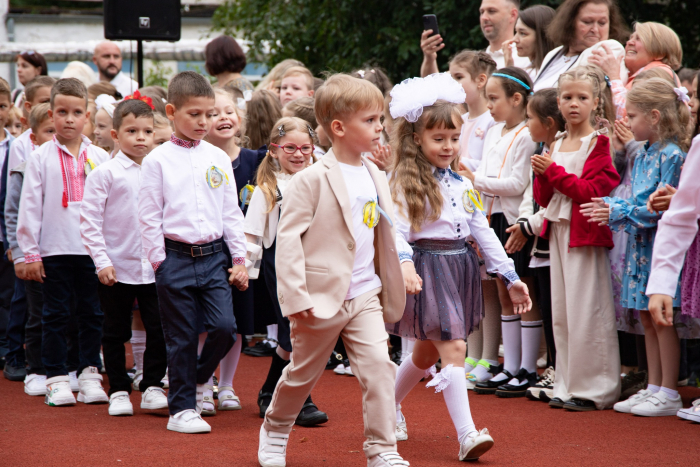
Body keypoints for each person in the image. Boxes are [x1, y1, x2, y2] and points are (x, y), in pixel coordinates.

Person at [257, 74, 409, 467]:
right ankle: (275, 428)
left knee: (379, 369)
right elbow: (288, 242)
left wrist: (401, 266)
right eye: (372, 120)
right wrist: (295, 297)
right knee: (301, 375)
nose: (381, 127)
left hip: (364, 293)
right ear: (339, 127)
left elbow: (385, 230)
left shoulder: (377, 173)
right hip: (320, 297)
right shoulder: (310, 179)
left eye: (380, 119)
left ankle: (382, 448)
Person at [387, 72, 531, 462]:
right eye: (438, 139)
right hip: (425, 270)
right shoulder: (402, 182)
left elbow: (483, 233)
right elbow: (395, 232)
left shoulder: (464, 184)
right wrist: (403, 264)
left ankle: (386, 405)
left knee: (422, 356)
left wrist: (510, 276)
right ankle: (467, 434)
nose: (448, 146)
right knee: (453, 346)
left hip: (459, 268)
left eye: (454, 138)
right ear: (417, 139)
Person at [138, 71, 249, 434]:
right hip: (175, 258)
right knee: (182, 336)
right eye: (195, 114)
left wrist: (239, 259)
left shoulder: (217, 156)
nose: (205, 122)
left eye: (210, 114)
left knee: (224, 328)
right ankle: (181, 410)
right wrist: (160, 262)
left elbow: (231, 211)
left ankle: (199, 379)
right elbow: (149, 214)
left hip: (215, 257)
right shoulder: (157, 160)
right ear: (171, 112)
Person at [581, 78, 688, 416]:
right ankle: (654, 386)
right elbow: (635, 199)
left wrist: (616, 210)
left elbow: (657, 206)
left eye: (633, 115)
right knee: (645, 314)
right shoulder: (642, 152)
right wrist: (615, 207)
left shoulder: (673, 155)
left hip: (660, 244)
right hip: (640, 244)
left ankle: (669, 389)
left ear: (655, 116)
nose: (626, 122)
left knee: (661, 317)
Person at [17, 78, 111, 407]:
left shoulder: (100, 156)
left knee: (91, 313)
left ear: (88, 114)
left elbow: (110, 206)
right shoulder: (40, 157)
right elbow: (29, 205)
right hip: (54, 248)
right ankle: (55, 377)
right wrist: (30, 252)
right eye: (61, 112)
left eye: (76, 112)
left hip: (92, 251)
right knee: (54, 314)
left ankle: (87, 374)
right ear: (51, 114)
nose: (69, 119)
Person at [532, 67, 620, 411]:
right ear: (558, 101)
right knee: (563, 311)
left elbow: (590, 191)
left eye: (582, 98)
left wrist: (550, 171)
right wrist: (541, 173)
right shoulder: (554, 142)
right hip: (559, 229)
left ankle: (596, 387)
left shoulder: (598, 142)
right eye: (567, 97)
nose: (573, 104)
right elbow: (544, 198)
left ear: (595, 102)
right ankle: (567, 383)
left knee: (587, 309)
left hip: (584, 232)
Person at [79, 98, 169, 416]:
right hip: (117, 266)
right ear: (116, 134)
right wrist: (102, 261)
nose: (141, 137)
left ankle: (153, 385)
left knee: (159, 327)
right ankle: (118, 388)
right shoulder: (105, 173)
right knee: (116, 330)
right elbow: (89, 221)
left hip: (155, 266)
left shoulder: (161, 170)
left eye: (147, 131)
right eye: (132, 131)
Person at [244, 117, 328, 427]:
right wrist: (245, 271)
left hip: (313, 262)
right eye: (290, 147)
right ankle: (299, 400)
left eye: (305, 147)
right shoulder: (268, 187)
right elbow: (252, 234)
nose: (298, 154)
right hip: (279, 264)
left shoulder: (320, 180)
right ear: (274, 150)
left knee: (295, 335)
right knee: (297, 330)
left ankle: (269, 392)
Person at [460, 68, 539, 395]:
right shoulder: (494, 131)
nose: (489, 105)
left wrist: (474, 179)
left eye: (495, 98)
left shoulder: (526, 134)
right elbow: (489, 172)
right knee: (505, 294)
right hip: (491, 219)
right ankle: (509, 367)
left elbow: (517, 184)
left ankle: (528, 368)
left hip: (514, 221)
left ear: (516, 99)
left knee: (523, 291)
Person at [198, 88, 266, 415]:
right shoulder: (196, 161)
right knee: (203, 322)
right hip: (205, 252)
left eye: (229, 111)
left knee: (236, 321)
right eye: (213, 113)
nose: (223, 117)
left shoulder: (256, 161)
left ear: (239, 120)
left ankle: (226, 385)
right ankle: (203, 381)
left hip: (244, 257)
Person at [517, 89, 566, 402]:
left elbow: (555, 200)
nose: (526, 123)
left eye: (530, 118)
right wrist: (525, 221)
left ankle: (560, 369)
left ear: (548, 123)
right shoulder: (542, 149)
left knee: (557, 308)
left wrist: (529, 225)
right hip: (540, 241)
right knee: (548, 308)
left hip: (554, 240)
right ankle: (553, 367)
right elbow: (529, 193)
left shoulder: (557, 152)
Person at [5, 103, 54, 395]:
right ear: (32, 138)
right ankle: (35, 368)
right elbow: (12, 213)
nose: (55, 136)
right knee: (37, 314)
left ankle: (68, 365)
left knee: (69, 313)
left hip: (67, 253)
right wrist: (19, 252)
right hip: (36, 254)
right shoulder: (22, 170)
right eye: (48, 131)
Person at [590, 22, 683, 119]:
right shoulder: (644, 73)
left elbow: (626, 115)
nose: (629, 42)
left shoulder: (659, 73)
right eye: (630, 38)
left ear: (660, 52)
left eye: (638, 39)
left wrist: (613, 76)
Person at [534, 0, 630, 91]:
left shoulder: (609, 49)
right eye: (587, 22)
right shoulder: (554, 54)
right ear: (569, 23)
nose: (595, 29)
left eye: (602, 23)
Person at [421, 0, 529, 76]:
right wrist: (429, 58)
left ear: (513, 15)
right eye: (482, 12)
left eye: (491, 11)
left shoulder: (527, 59)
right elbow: (434, 89)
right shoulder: (474, 61)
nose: (484, 17)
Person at [0, 77, 16, 375]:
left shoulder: (15, 146)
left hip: (4, 233)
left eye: (2, 105)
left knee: (6, 293)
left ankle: (5, 345)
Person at [508, 5, 557, 79]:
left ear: (542, 36)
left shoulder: (555, 72)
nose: (515, 39)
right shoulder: (526, 71)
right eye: (516, 32)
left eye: (523, 33)